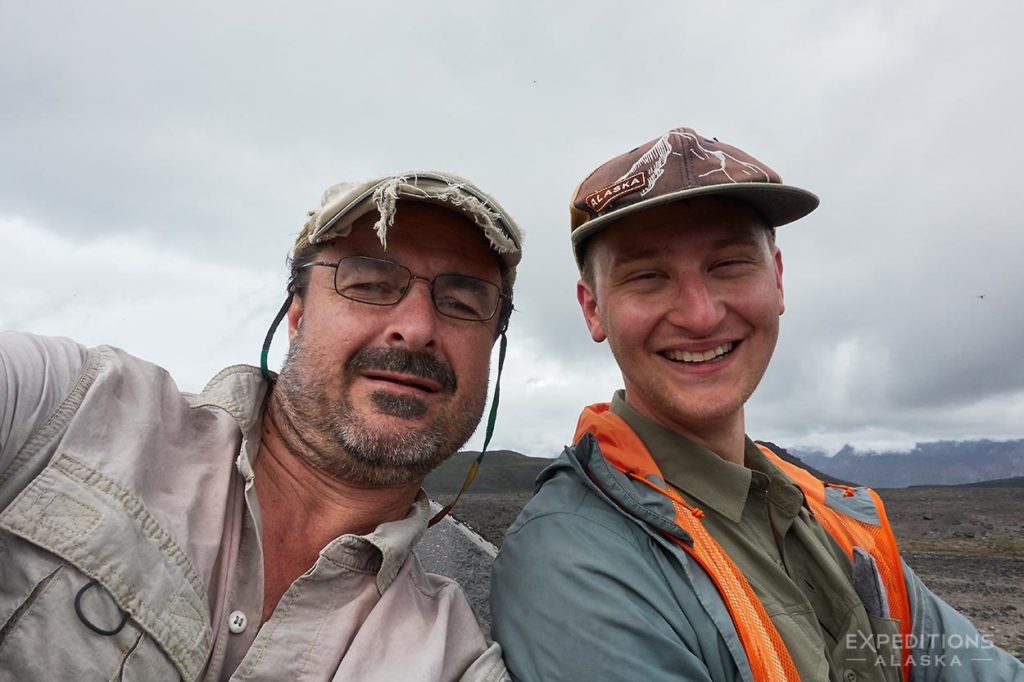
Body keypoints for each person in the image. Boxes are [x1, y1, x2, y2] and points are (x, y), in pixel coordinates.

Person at [490, 128, 1024, 681]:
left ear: (778, 280)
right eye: (648, 277)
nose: (700, 315)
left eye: (728, 264)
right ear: (593, 309)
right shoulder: (576, 563)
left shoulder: (834, 517)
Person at [0, 172, 521, 681]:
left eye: (461, 302)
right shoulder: (67, 406)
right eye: (370, 283)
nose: (416, 328)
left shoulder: (454, 660)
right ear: (297, 319)